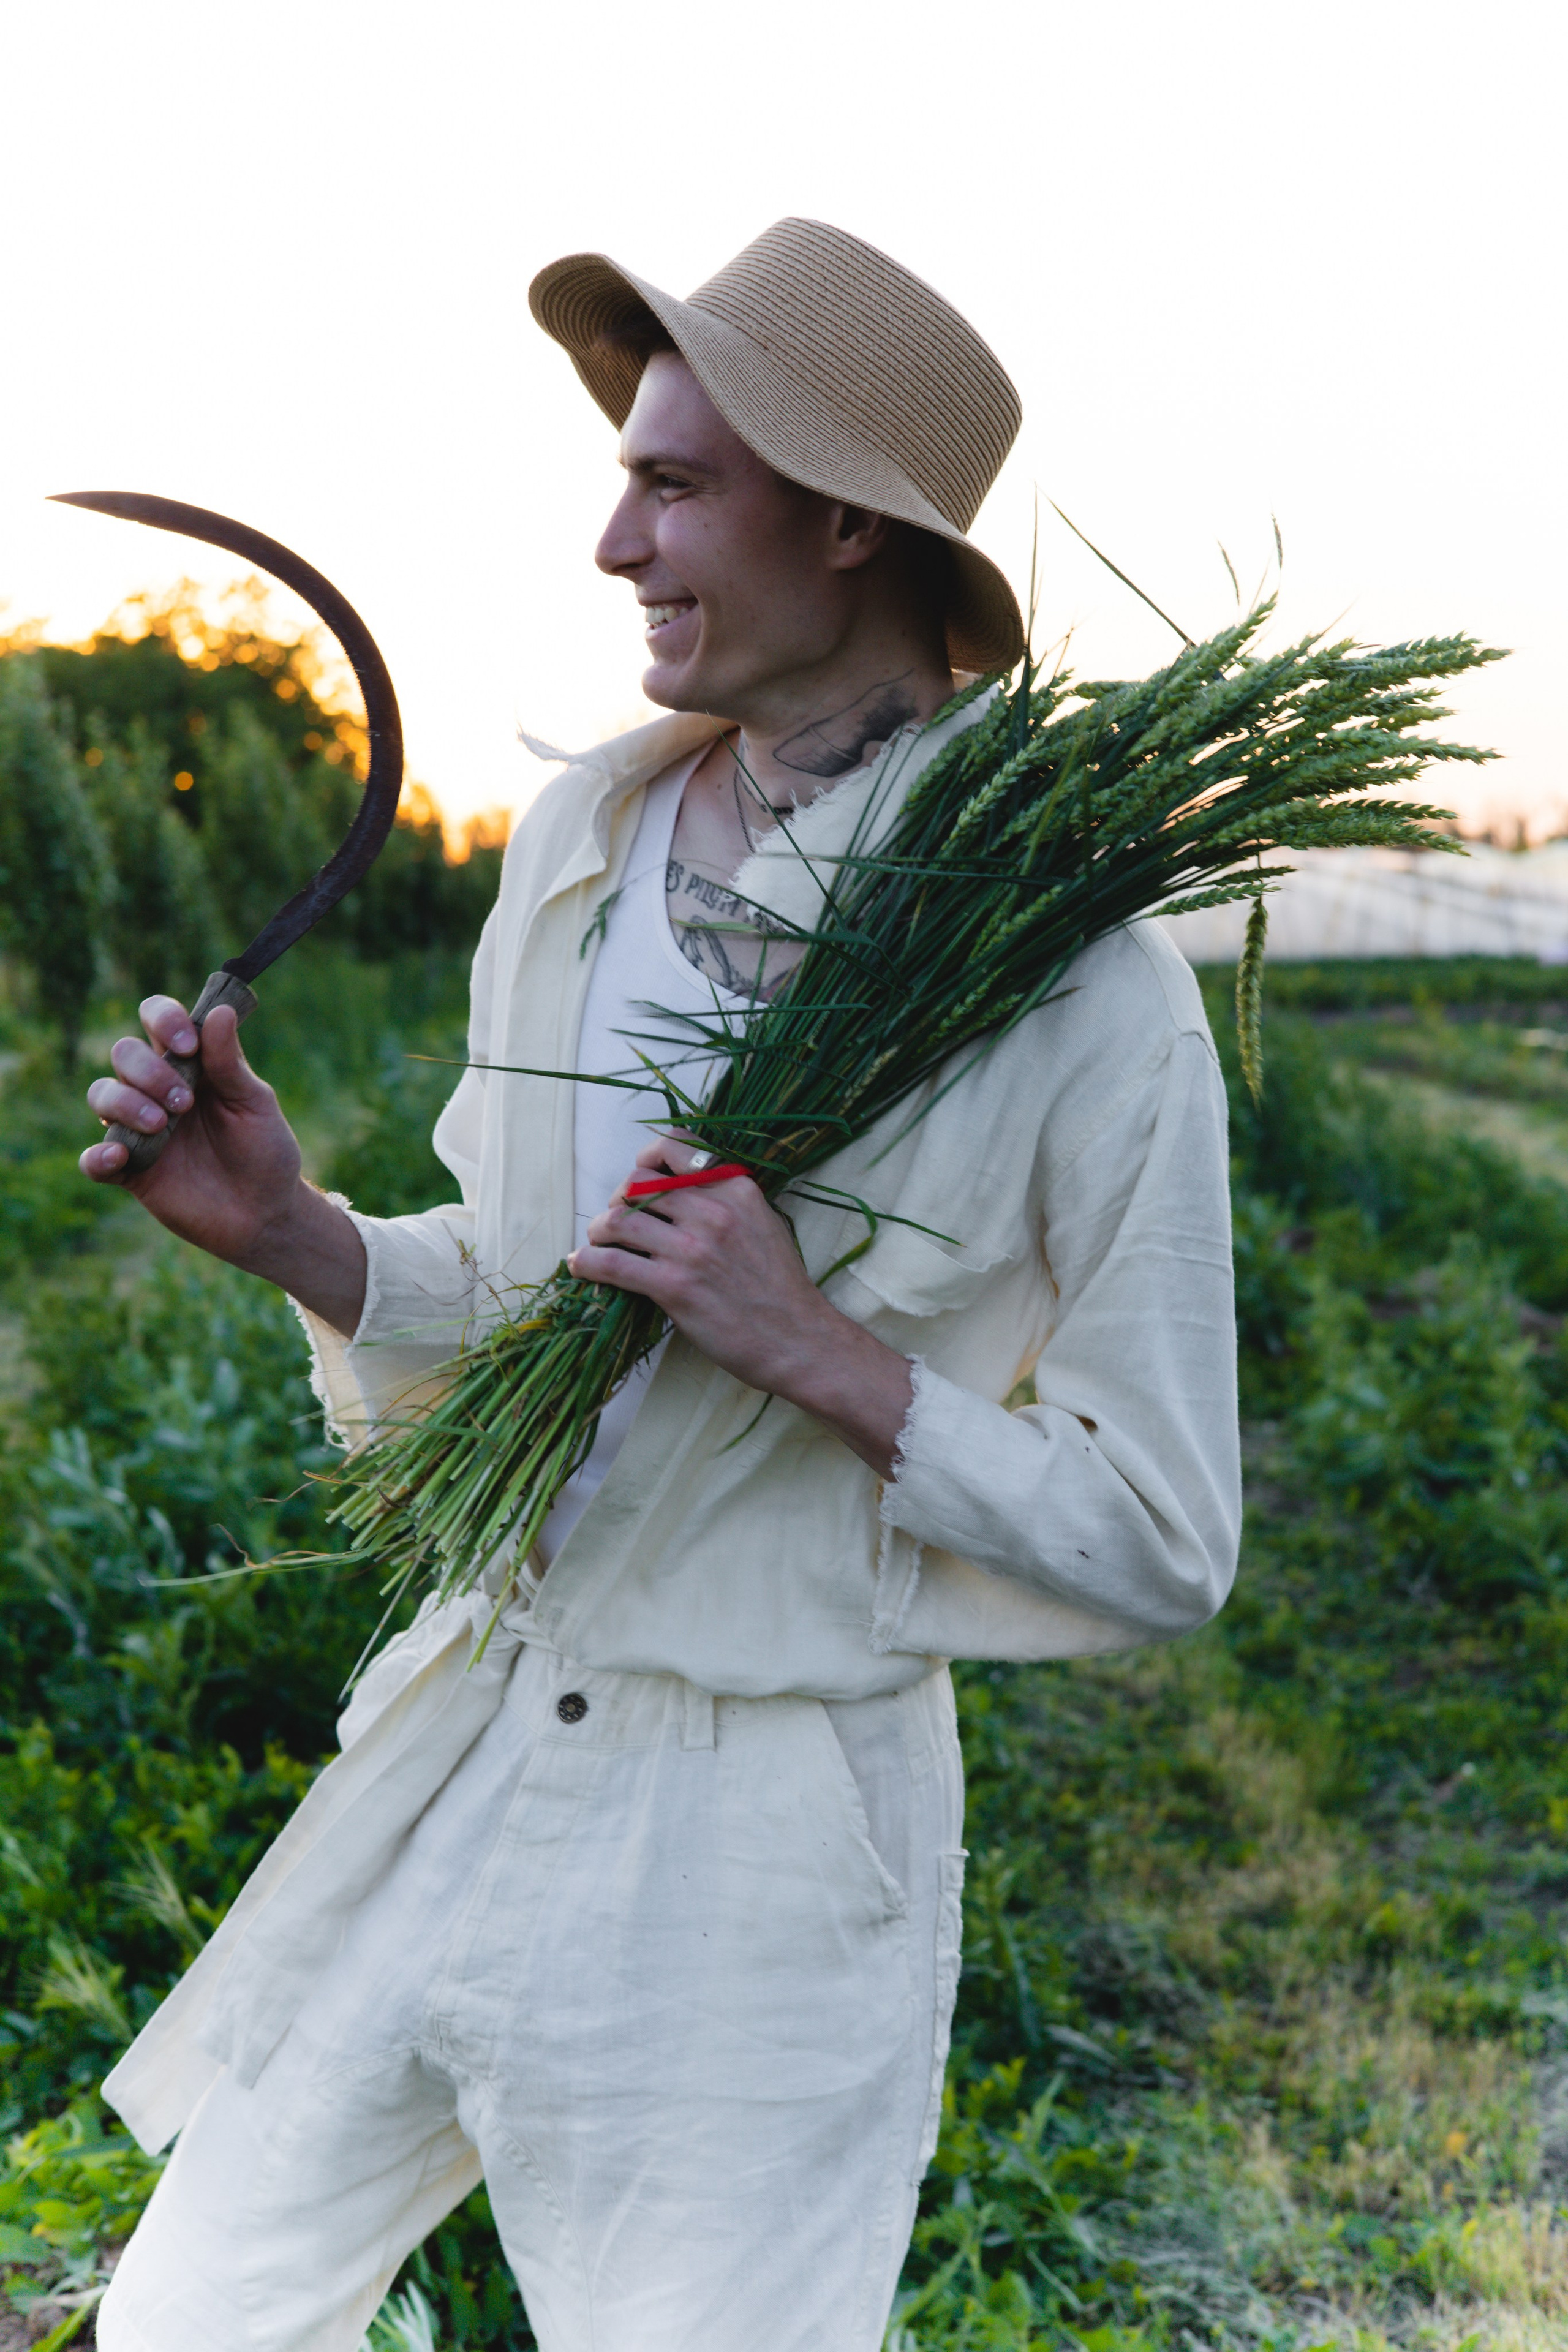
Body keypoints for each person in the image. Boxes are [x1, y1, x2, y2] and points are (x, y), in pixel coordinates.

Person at [83, 219, 1241, 2352]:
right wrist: (299, 1235)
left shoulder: (1081, 984)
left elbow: (1166, 1535)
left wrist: (817, 1354)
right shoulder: (579, 852)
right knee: (199, 2321)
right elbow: (538, 1295)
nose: (615, 540)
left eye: (675, 483)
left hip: (760, 1842)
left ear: (846, 524)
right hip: (479, 1723)